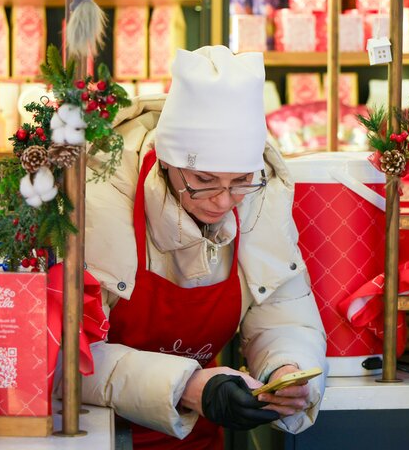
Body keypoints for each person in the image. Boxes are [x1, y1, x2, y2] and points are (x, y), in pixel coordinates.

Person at [82, 45, 327, 448]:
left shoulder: (259, 198)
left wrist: (288, 369)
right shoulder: (103, 194)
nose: (222, 200)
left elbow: (283, 316)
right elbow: (71, 356)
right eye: (205, 181)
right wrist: (187, 385)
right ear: (167, 162)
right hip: (99, 434)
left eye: (239, 182)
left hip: (196, 434)